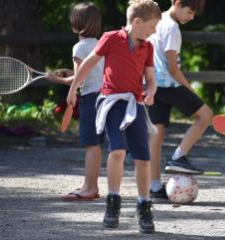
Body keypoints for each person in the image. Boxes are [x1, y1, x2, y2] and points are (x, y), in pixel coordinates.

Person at [66, 0, 161, 233]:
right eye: (152, 27)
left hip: (135, 105)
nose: (154, 32)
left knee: (143, 158)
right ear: (137, 22)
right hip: (111, 103)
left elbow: (150, 79)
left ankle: (144, 205)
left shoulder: (147, 47)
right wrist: (72, 90)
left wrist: (151, 91)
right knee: (117, 151)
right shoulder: (110, 38)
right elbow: (87, 65)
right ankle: (113, 203)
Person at [148, 0, 213, 199]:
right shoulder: (172, 28)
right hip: (169, 85)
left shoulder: (156, 21)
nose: (191, 17)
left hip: (152, 84)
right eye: (189, 12)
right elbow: (172, 67)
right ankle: (178, 156)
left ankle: (155, 186)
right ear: (176, 3)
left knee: (156, 135)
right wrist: (189, 89)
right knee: (206, 115)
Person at [46, 2, 104, 201]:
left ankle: (88, 188)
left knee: (90, 145)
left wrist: (58, 80)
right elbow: (90, 73)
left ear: (75, 24)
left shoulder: (79, 46)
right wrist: (70, 74)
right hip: (104, 97)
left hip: (90, 98)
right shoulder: (100, 44)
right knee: (96, 145)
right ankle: (91, 186)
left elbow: (80, 77)